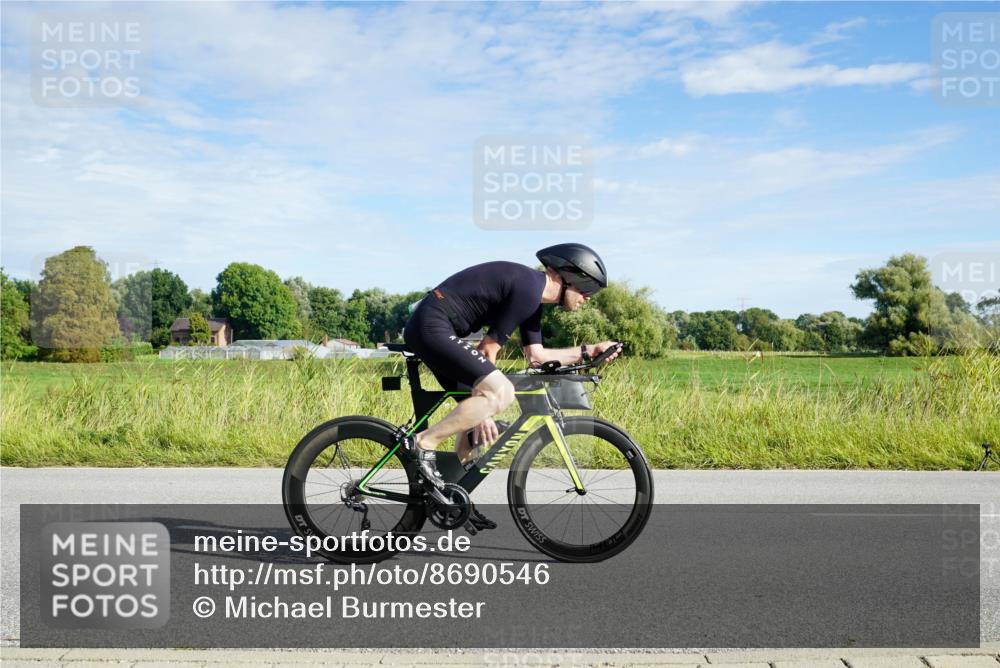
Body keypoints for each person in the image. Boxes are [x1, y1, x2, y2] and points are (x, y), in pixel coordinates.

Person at [401, 243, 621, 526]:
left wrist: (590, 351)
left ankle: (451, 498)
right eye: (587, 289)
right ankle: (422, 443)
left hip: (438, 329)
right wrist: (486, 406)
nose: (588, 298)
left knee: (473, 425)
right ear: (571, 276)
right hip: (432, 326)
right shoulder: (528, 289)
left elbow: (537, 358)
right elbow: (487, 350)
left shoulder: (533, 300)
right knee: (500, 392)